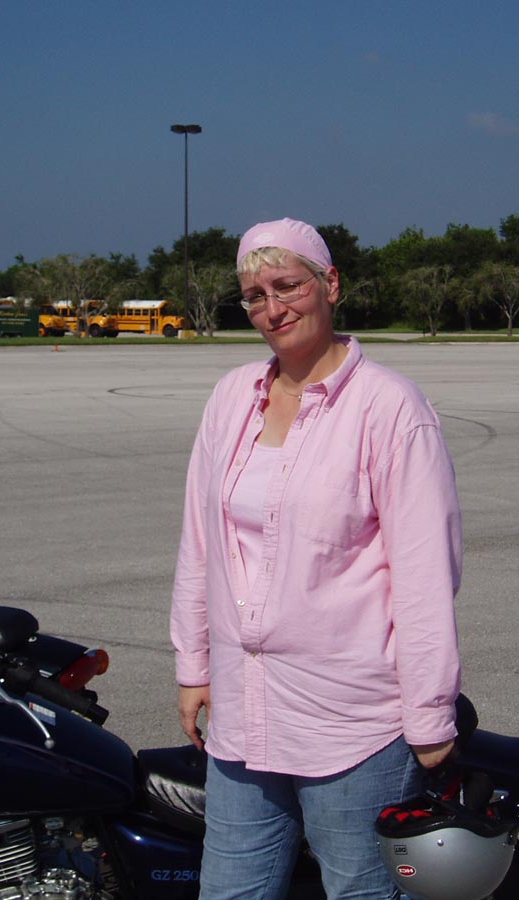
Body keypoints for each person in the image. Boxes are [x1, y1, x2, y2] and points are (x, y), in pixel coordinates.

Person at [170, 218, 463, 900]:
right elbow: (200, 543)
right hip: (245, 714)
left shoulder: (389, 408)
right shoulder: (231, 399)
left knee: (360, 892)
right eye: (254, 295)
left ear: (329, 284)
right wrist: (194, 664)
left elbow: (424, 575)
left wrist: (429, 713)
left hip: (351, 722)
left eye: (287, 286)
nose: (272, 309)